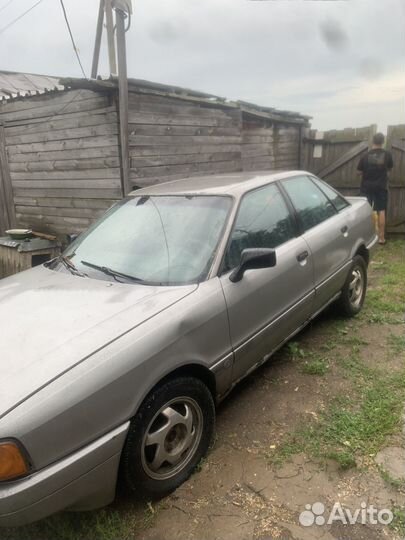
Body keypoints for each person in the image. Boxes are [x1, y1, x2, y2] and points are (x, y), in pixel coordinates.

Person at [357, 133, 393, 245]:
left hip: (366, 187)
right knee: (381, 210)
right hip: (381, 187)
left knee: (367, 212)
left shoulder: (365, 155)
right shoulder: (387, 155)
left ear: (373, 141)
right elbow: (390, 169)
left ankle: (367, 238)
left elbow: (358, 172)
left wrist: (367, 172)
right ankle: (381, 238)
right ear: (383, 142)